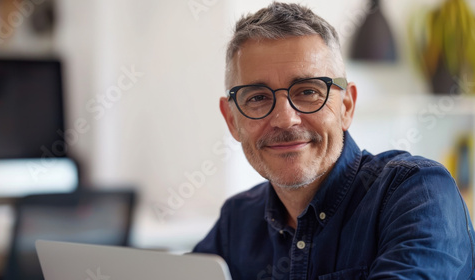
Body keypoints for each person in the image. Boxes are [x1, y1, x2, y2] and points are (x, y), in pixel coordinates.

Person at [193, 2, 475, 280]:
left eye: (307, 91)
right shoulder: (237, 220)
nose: (285, 119)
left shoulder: (419, 193)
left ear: (346, 106)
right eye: (257, 98)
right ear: (232, 120)